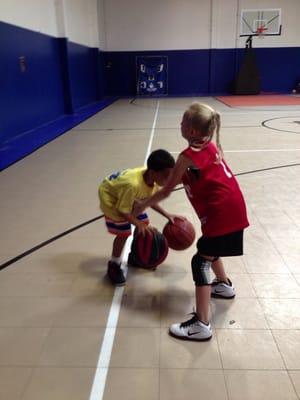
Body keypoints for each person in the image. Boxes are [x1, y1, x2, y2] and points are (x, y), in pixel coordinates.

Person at [133, 103, 249, 341]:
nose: (180, 124)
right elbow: (188, 177)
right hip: (233, 208)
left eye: (183, 122)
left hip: (222, 213)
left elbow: (166, 190)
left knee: (200, 261)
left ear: (193, 131)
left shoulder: (187, 156)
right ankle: (224, 286)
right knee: (209, 248)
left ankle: (201, 324)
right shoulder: (208, 145)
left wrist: (143, 204)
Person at [98, 149, 176, 285]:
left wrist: (166, 214)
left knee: (144, 223)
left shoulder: (152, 179)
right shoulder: (132, 185)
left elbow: (149, 200)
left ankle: (135, 256)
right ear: (153, 172)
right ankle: (114, 265)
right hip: (111, 198)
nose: (168, 179)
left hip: (124, 193)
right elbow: (122, 211)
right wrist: (137, 224)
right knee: (124, 233)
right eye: (166, 176)